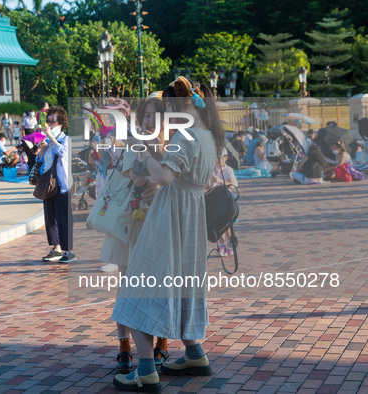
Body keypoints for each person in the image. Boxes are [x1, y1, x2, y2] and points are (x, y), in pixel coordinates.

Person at [111, 77, 224, 392]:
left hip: (170, 215)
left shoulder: (185, 137)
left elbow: (163, 176)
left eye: (170, 107)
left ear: (182, 106)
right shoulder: (208, 136)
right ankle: (195, 354)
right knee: (183, 284)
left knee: (140, 288)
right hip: (192, 216)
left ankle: (146, 371)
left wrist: (142, 153)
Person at [99, 97, 170, 374]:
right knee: (128, 284)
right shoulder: (136, 141)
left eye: (156, 115)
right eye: (147, 115)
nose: (151, 121)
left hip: (161, 218)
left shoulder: (171, 142)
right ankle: (124, 346)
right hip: (133, 220)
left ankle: (162, 341)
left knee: (160, 283)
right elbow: (137, 178)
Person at [38, 106, 74, 263]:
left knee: (63, 218)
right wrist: (41, 149)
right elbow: (40, 161)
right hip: (48, 185)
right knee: (51, 218)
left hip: (62, 185)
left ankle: (69, 250)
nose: (50, 124)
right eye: (48, 121)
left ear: (61, 123)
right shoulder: (47, 140)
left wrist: (51, 139)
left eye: (53, 121)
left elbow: (63, 153)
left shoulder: (65, 139)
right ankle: (56, 248)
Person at [206, 148, 238, 255]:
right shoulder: (212, 170)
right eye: (214, 158)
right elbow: (207, 187)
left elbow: (232, 186)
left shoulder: (228, 170)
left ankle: (230, 242)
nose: (216, 160)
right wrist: (209, 181)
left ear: (225, 158)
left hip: (225, 201)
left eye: (218, 158)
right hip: (215, 201)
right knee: (217, 225)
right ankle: (222, 245)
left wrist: (219, 180)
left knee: (226, 225)